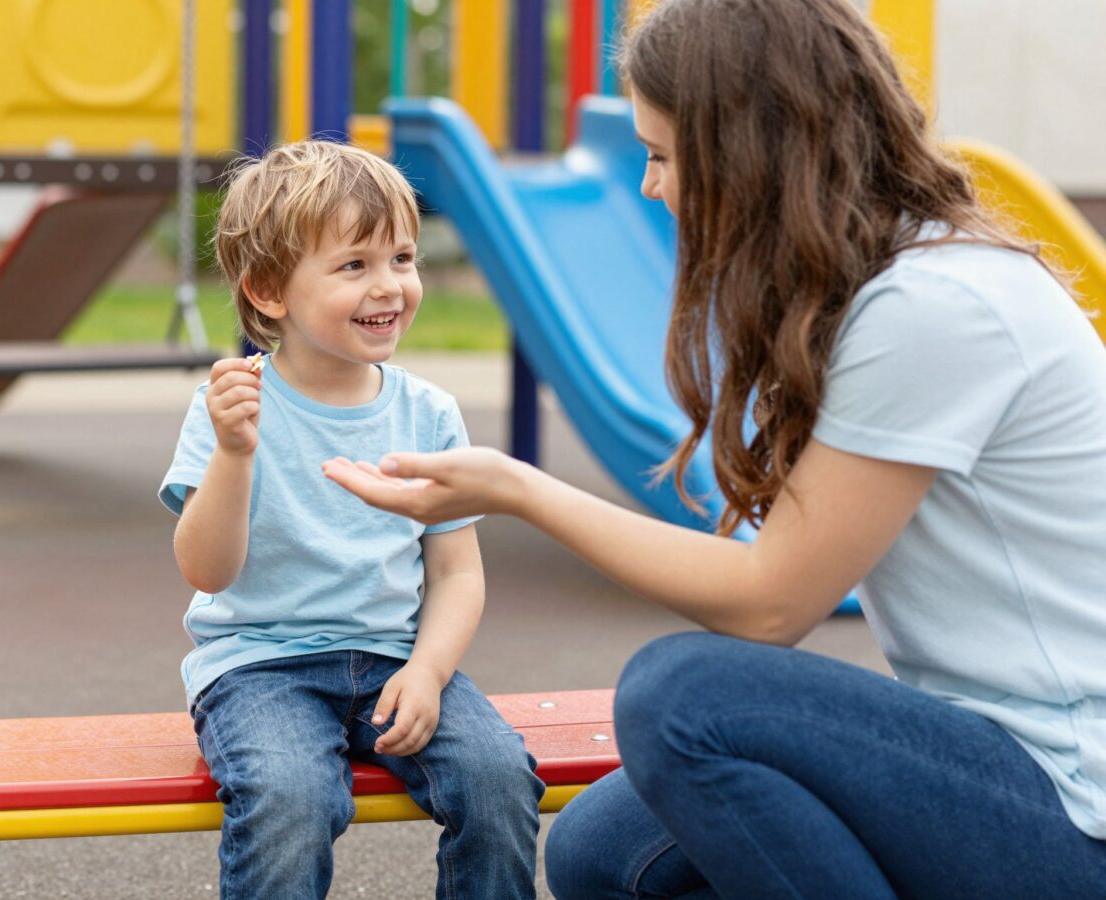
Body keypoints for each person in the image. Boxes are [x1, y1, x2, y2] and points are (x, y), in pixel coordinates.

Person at [321, 0, 1106, 896]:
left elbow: (773, 606)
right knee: (601, 855)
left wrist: (518, 489)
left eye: (660, 156)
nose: (650, 186)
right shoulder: (877, 287)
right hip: (998, 754)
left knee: (682, 697)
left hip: (1075, 806)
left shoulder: (935, 307)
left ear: (751, 152)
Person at [159, 139, 544, 899]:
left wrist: (429, 671)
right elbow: (206, 572)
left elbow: (457, 572)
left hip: (397, 659)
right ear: (270, 289)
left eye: (403, 258)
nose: (391, 286)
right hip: (258, 669)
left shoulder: (428, 412)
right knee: (291, 798)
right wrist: (235, 455)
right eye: (354, 266)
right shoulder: (234, 406)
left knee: (498, 778)